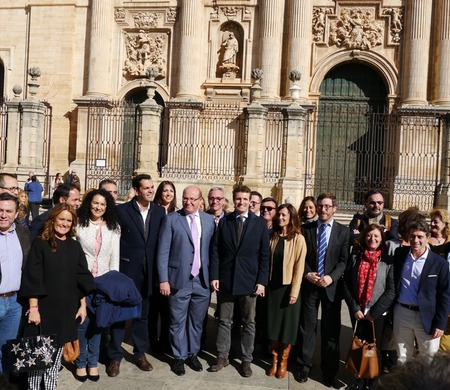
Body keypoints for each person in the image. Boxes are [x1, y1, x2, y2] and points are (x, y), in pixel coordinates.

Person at [19, 203, 95, 390]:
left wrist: (82, 305)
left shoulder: (74, 246)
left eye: (69, 220)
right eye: (61, 219)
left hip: (66, 312)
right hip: (43, 312)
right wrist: (34, 308)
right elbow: (33, 277)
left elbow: (81, 277)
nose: (64, 223)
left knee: (54, 364)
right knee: (37, 364)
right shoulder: (41, 243)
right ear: (53, 219)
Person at [106, 174, 165, 377]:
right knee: (120, 315)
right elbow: (113, 241)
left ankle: (140, 353)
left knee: (142, 315)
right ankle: (114, 357)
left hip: (148, 273)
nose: (150, 190)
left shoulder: (159, 212)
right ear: (136, 190)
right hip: (126, 272)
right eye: (146, 188)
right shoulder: (122, 211)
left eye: (152, 187)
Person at [210, 185, 270, 378]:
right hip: (227, 280)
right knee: (224, 321)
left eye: (245, 199)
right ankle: (222, 356)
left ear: (250, 201)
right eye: (238, 199)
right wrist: (215, 276)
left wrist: (261, 281)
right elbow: (216, 251)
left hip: (250, 282)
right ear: (233, 200)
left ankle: (246, 360)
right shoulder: (225, 222)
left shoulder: (259, 224)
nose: (242, 202)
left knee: (249, 323)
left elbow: (264, 256)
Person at [157, 185, 215, 376]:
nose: (188, 202)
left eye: (192, 199)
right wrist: (163, 279)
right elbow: (163, 252)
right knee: (177, 321)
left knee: (197, 321)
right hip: (178, 280)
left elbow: (213, 252)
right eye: (185, 198)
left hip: (202, 280)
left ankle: (192, 353)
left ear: (200, 201)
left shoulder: (209, 220)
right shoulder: (172, 219)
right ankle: (179, 357)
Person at [296, 193, 350, 387]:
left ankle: (329, 370)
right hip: (310, 286)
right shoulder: (305, 229)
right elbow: (300, 256)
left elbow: (344, 261)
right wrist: (308, 274)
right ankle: (304, 365)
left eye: (327, 206)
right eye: (320, 206)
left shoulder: (343, 232)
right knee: (307, 327)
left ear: (334, 208)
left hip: (331, 288)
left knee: (331, 330)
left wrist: (331, 277)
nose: (323, 209)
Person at [342, 224, 396, 390]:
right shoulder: (355, 258)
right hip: (359, 310)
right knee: (359, 344)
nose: (372, 239)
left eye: (376, 236)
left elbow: (391, 290)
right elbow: (346, 284)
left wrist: (375, 312)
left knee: (375, 347)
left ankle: (374, 381)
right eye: (369, 236)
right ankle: (359, 379)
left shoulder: (387, 261)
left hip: (377, 313)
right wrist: (355, 307)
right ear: (364, 237)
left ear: (381, 240)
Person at [75, 189, 120, 382]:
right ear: (89, 203)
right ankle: (80, 363)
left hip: (103, 283)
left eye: (103, 204)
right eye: (95, 203)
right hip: (81, 282)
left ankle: (93, 363)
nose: (98, 207)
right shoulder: (78, 225)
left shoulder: (114, 227)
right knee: (82, 324)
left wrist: (113, 283)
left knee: (98, 325)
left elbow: (114, 258)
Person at [393, 220, 450, 364]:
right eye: (412, 236)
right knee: (402, 358)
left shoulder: (439, 263)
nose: (415, 240)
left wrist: (441, 324)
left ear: (428, 237)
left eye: (420, 236)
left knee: (428, 360)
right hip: (402, 313)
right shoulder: (400, 254)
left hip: (428, 317)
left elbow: (445, 295)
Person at [266, 204, 306, 379]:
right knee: (273, 326)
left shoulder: (298, 239)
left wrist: (294, 292)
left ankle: (283, 361)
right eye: (279, 215)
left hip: (288, 289)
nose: (280, 218)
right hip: (273, 288)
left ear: (292, 217)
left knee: (287, 327)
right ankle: (274, 360)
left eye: (284, 215)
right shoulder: (273, 236)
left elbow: (299, 267)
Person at [0, 193, 30, 374]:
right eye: (0, 210)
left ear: (16, 212)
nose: (3, 215)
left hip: (14, 302)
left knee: (6, 350)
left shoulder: (23, 233)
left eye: (8, 211)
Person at [149, 180, 177, 354]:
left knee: (168, 310)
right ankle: (153, 342)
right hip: (154, 265)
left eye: (171, 190)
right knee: (153, 310)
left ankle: (166, 341)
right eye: (165, 190)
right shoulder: (154, 211)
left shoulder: (178, 213)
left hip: (171, 267)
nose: (168, 193)